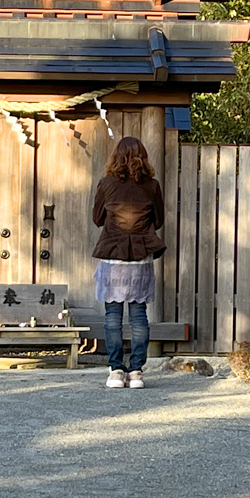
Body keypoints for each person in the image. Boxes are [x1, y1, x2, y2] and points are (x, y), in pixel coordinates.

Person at [92, 136, 165, 389]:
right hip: (140, 257)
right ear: (143, 157)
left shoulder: (106, 184)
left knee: (112, 315)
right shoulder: (152, 185)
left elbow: (97, 218)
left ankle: (115, 370)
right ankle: (136, 371)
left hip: (113, 255)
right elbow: (159, 219)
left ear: (116, 157)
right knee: (138, 315)